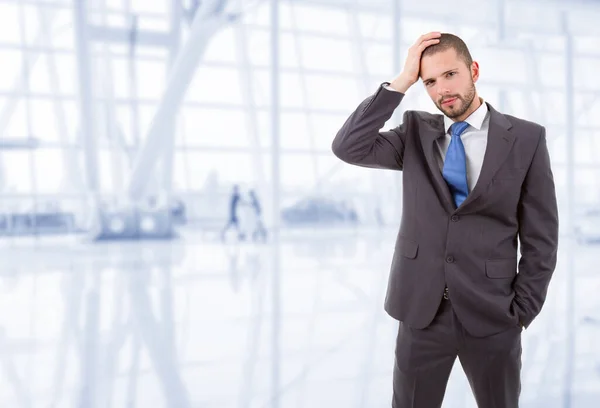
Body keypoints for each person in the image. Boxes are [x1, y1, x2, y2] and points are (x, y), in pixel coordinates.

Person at [331, 32, 559, 408]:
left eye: (450, 75)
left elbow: (542, 237)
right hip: (421, 311)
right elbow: (349, 146)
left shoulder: (526, 139)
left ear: (474, 70)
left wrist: (522, 311)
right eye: (430, 82)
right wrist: (402, 81)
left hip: (493, 312)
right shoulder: (416, 132)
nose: (442, 90)